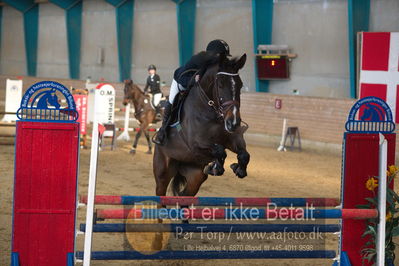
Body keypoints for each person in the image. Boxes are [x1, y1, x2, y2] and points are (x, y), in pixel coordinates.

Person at [153, 39, 231, 145]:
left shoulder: (216, 65)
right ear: (214, 54)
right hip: (181, 82)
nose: (224, 59)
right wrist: (193, 80)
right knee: (171, 103)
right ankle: (162, 131)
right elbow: (182, 78)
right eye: (222, 56)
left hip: (196, 88)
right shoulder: (198, 60)